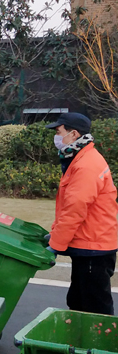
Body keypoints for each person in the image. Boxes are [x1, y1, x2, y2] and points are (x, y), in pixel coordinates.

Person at [45, 112, 117, 315]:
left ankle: (101, 337)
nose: (56, 137)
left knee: (94, 308)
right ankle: (80, 335)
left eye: (59, 131)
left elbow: (74, 210)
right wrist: (55, 234)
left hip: (94, 246)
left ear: (74, 134)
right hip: (91, 243)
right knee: (78, 301)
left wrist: (55, 244)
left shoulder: (86, 165)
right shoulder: (81, 158)